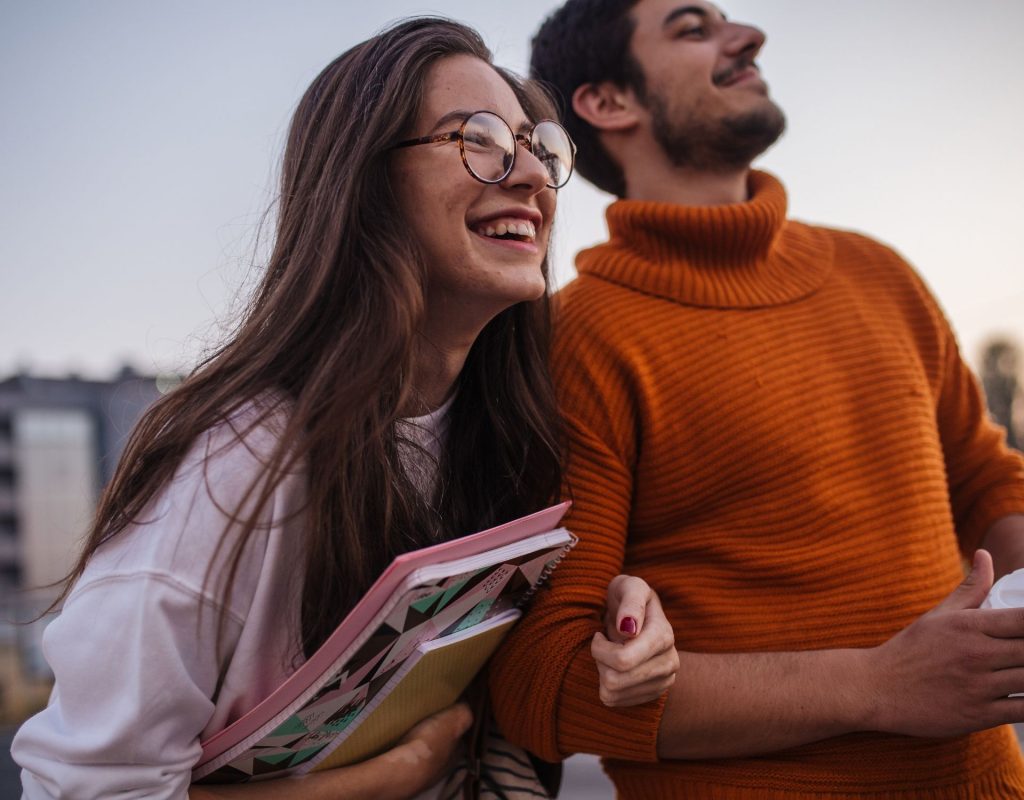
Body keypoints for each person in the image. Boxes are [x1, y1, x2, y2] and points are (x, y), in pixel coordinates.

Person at [12, 17, 675, 800]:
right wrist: (397, 774)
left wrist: (617, 610)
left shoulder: (512, 426)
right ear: (364, 184)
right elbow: (89, 789)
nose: (531, 174)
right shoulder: (232, 468)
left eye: (538, 146)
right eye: (479, 138)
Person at [488, 1, 1024, 798]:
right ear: (608, 102)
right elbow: (544, 684)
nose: (749, 36)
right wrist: (876, 685)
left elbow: (986, 485)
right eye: (693, 28)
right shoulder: (576, 341)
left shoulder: (880, 272)